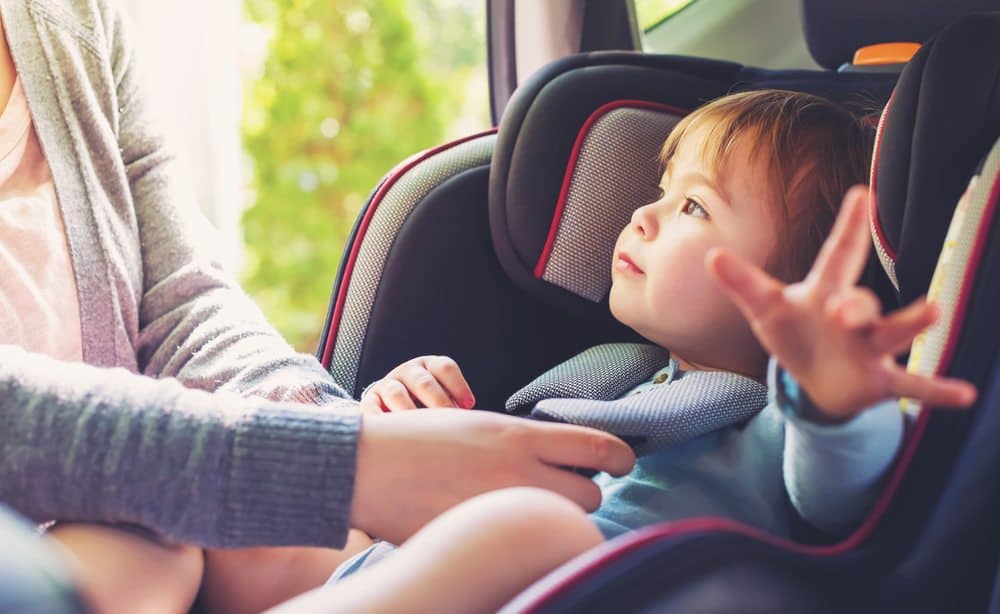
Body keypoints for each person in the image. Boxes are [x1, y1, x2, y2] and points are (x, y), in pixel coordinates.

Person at [0, 1, 635, 612]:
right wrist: (345, 464)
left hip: (136, 516)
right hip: (97, 534)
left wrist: (341, 427)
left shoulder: (73, 21)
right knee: (537, 535)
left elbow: (183, 305)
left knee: (178, 549)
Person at [286, 90, 978, 611]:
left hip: (605, 588)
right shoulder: (617, 377)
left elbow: (843, 490)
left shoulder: (784, 423)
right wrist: (406, 426)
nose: (643, 216)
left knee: (527, 529)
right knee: (261, 524)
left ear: (797, 287)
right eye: (661, 190)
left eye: (694, 208)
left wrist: (834, 394)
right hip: (430, 574)